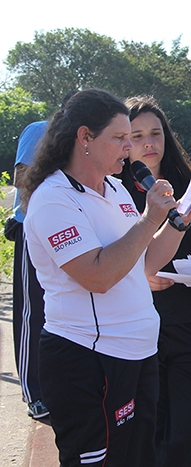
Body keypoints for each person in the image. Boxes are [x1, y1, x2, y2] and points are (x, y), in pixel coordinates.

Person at [20, 89, 191, 466]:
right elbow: (98, 275)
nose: (129, 148)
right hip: (89, 359)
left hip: (138, 352)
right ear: (85, 138)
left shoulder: (117, 188)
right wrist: (150, 218)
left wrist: (178, 223)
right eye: (120, 138)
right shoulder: (53, 198)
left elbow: (145, 262)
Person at [117, 96, 191, 467]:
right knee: (147, 434)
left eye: (156, 133)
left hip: (187, 321)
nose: (148, 143)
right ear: (122, 140)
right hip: (133, 327)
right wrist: (139, 280)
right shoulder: (110, 190)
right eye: (138, 134)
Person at [9, 120, 49, 419]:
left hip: (72, 227)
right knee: (31, 312)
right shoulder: (39, 131)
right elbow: (21, 177)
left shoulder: (93, 138)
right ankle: (33, 393)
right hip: (33, 227)